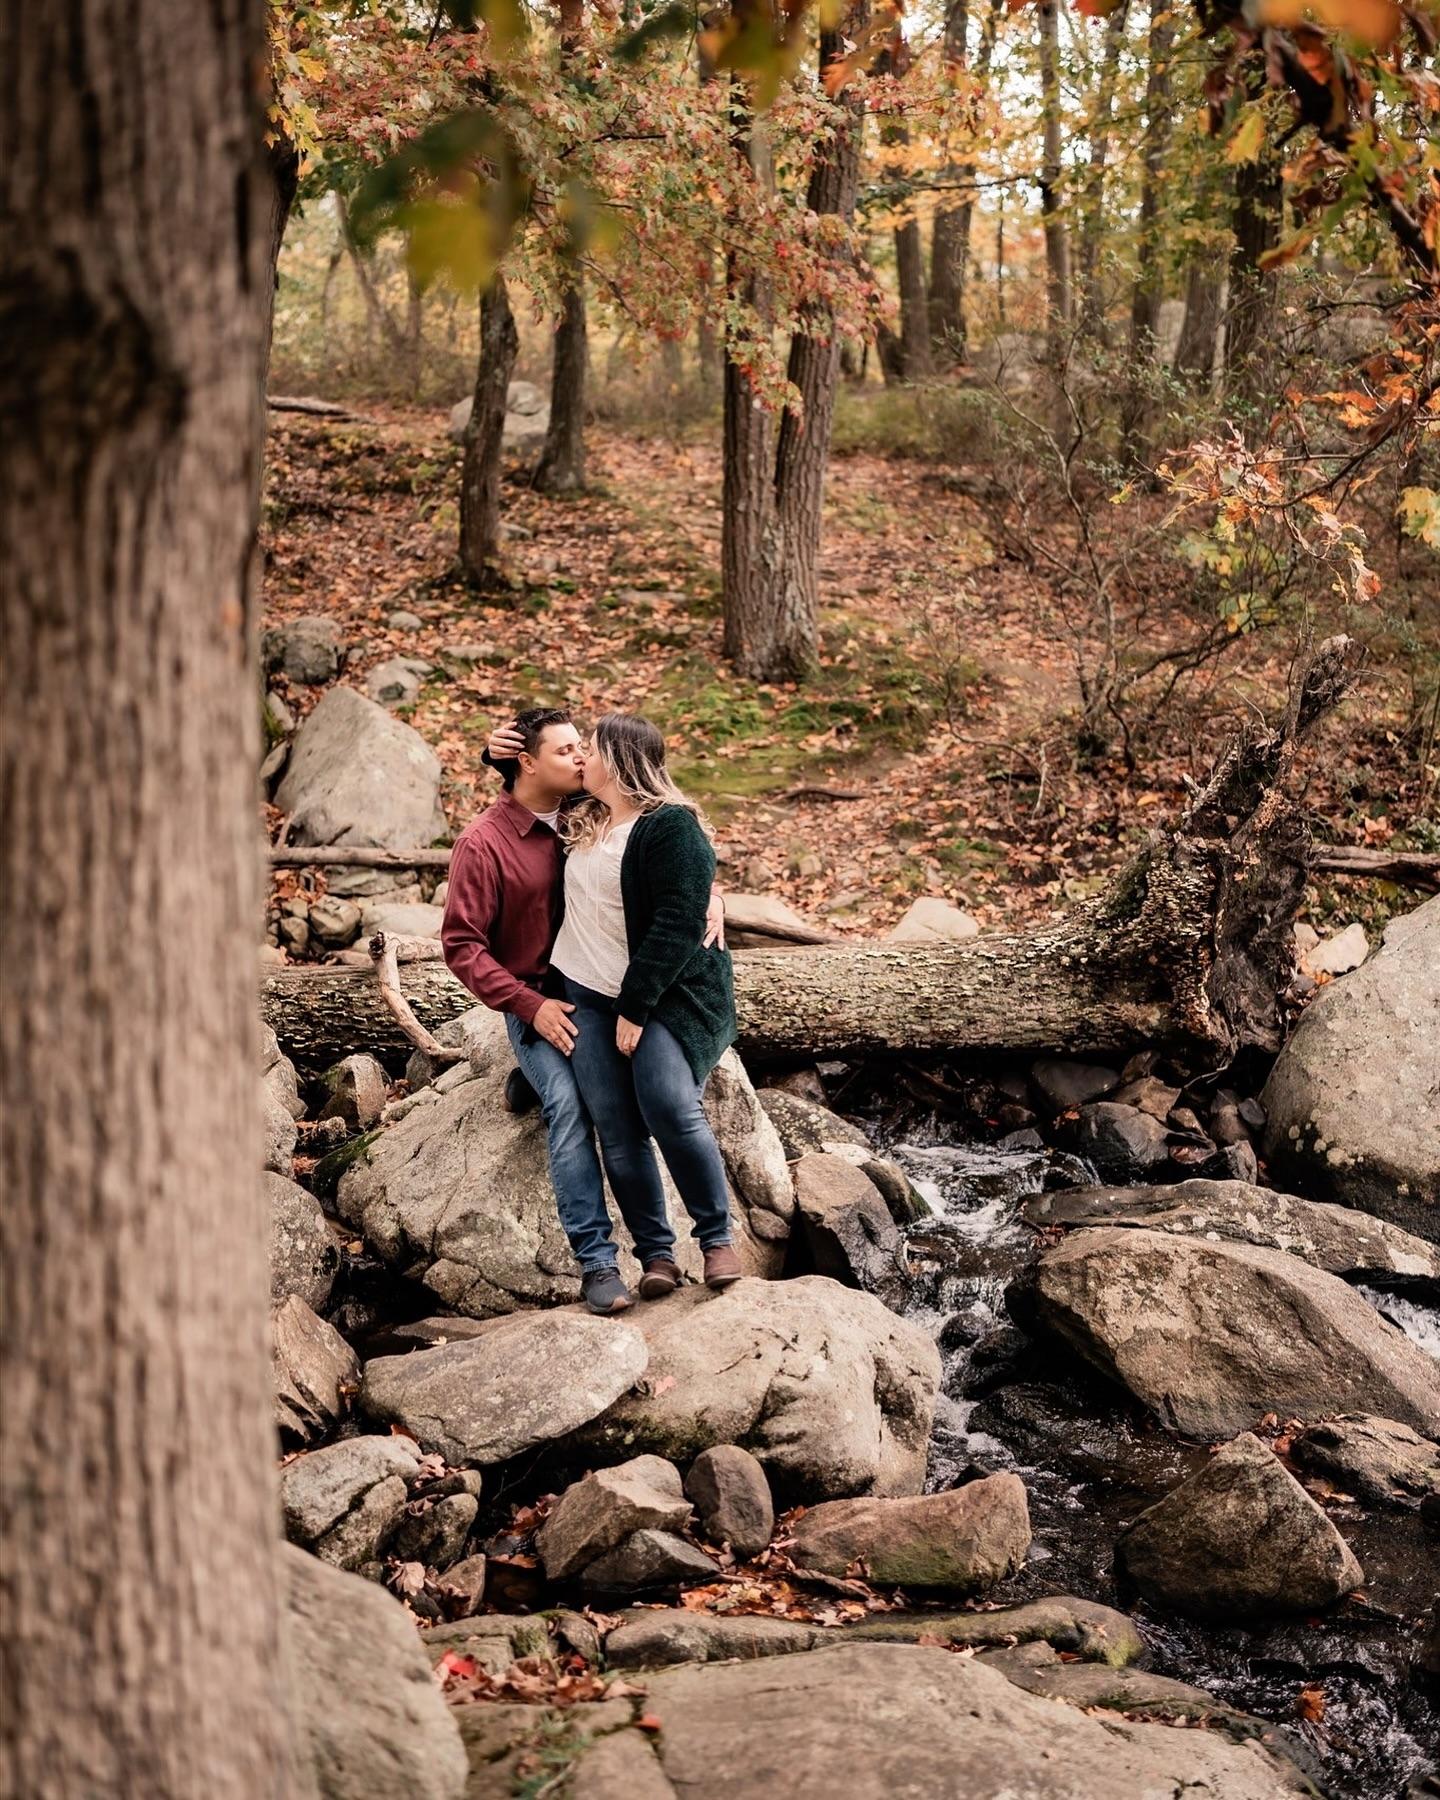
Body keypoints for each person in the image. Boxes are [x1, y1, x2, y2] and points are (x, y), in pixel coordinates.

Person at [442, 705, 725, 1316]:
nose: (580, 757)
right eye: (567, 750)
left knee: (646, 1103)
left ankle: (687, 1246)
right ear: (527, 761)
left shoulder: (585, 811)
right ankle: (597, 1265)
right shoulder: (483, 843)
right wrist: (529, 1006)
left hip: (603, 996)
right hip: (538, 1004)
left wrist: (712, 895)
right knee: (571, 1109)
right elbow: (462, 947)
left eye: (584, 749)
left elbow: (663, 844)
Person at [548, 712, 742, 1304]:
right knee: (615, 1126)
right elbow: (520, 795)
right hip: (585, 991)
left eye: (592, 749)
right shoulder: (579, 819)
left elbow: (677, 922)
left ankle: (716, 1240)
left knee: (668, 1103)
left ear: (622, 759)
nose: (582, 757)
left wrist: (634, 1010)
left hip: (662, 995)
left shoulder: (670, 827)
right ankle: (656, 1256)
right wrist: (497, 757)